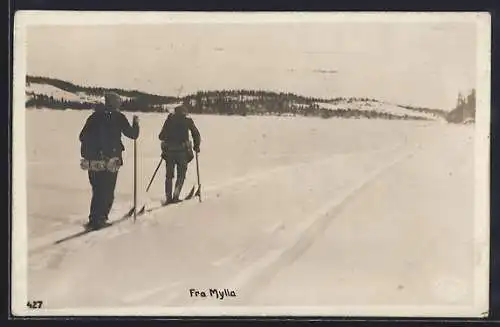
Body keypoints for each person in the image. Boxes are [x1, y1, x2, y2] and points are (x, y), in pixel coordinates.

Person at [79, 92, 140, 229]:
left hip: (92, 162)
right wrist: (135, 123)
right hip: (110, 161)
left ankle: (94, 219)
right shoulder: (118, 117)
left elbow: (82, 136)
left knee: (97, 191)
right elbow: (133, 134)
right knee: (107, 192)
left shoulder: (94, 117)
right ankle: (101, 219)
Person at [158, 105, 201, 204]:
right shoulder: (188, 121)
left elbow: (161, 136)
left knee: (169, 176)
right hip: (182, 153)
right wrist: (196, 146)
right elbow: (196, 134)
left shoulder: (169, 120)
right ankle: (176, 196)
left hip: (169, 153)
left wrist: (168, 139)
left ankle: (169, 198)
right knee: (181, 175)